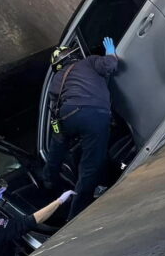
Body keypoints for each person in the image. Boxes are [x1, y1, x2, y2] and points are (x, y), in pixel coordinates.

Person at [43, 36, 118, 219]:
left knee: (59, 146)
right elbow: (110, 66)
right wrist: (111, 53)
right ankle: (74, 216)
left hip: (68, 117)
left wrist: (60, 135)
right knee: (90, 165)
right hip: (94, 115)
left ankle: (49, 179)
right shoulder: (89, 62)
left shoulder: (56, 80)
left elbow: (55, 110)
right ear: (73, 56)